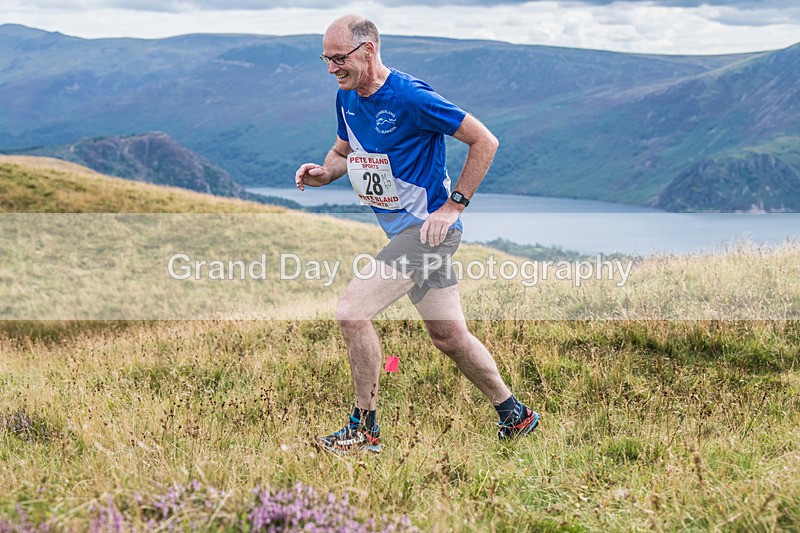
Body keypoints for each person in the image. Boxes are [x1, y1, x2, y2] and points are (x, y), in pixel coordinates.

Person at [294, 14, 539, 455]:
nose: (331, 69)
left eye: (338, 58)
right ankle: (515, 415)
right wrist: (322, 172)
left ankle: (364, 429)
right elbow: (342, 151)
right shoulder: (346, 96)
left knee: (352, 313)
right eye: (325, 59)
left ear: (368, 50)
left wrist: (454, 206)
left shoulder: (410, 96)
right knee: (449, 337)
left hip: (427, 235)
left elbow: (485, 141)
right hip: (407, 233)